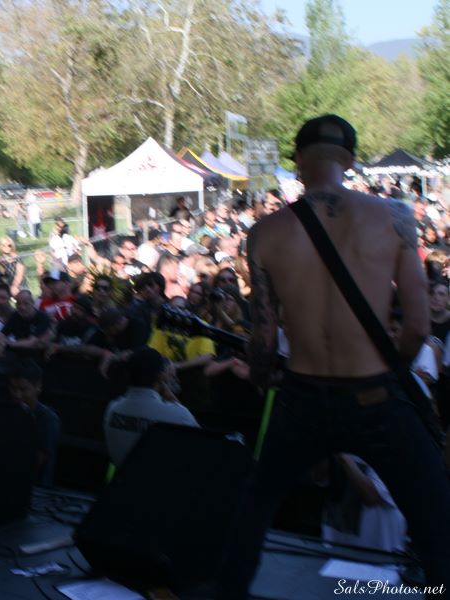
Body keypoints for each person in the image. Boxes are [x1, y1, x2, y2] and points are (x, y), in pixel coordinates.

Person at [217, 115, 450, 598]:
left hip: (302, 395)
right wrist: (391, 372)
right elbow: (418, 327)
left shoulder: (264, 233)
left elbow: (264, 338)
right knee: (434, 518)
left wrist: (261, 376)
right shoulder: (395, 217)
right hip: (375, 394)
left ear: (299, 160)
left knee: (253, 509)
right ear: (350, 160)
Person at [103, 347, 198, 467]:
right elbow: (201, 444)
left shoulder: (113, 408)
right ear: (161, 376)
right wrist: (172, 397)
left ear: (128, 374)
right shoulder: (179, 414)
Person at [6, 358, 60, 486]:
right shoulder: (8, 411)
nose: (17, 395)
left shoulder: (47, 418)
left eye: (23, 389)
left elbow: (38, 459)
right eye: (13, 388)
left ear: (38, 387)